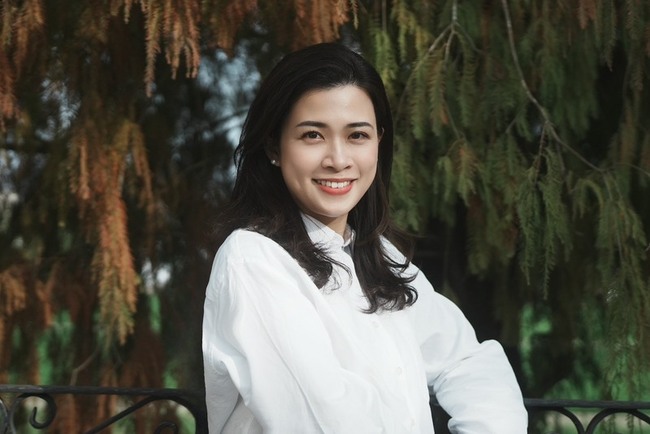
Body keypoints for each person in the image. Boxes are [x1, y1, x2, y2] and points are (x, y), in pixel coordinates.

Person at [202, 42, 528, 433]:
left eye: (357, 135)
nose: (338, 160)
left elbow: (467, 362)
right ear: (274, 146)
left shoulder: (378, 257)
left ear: (378, 143)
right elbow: (322, 419)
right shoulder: (253, 259)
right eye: (312, 135)